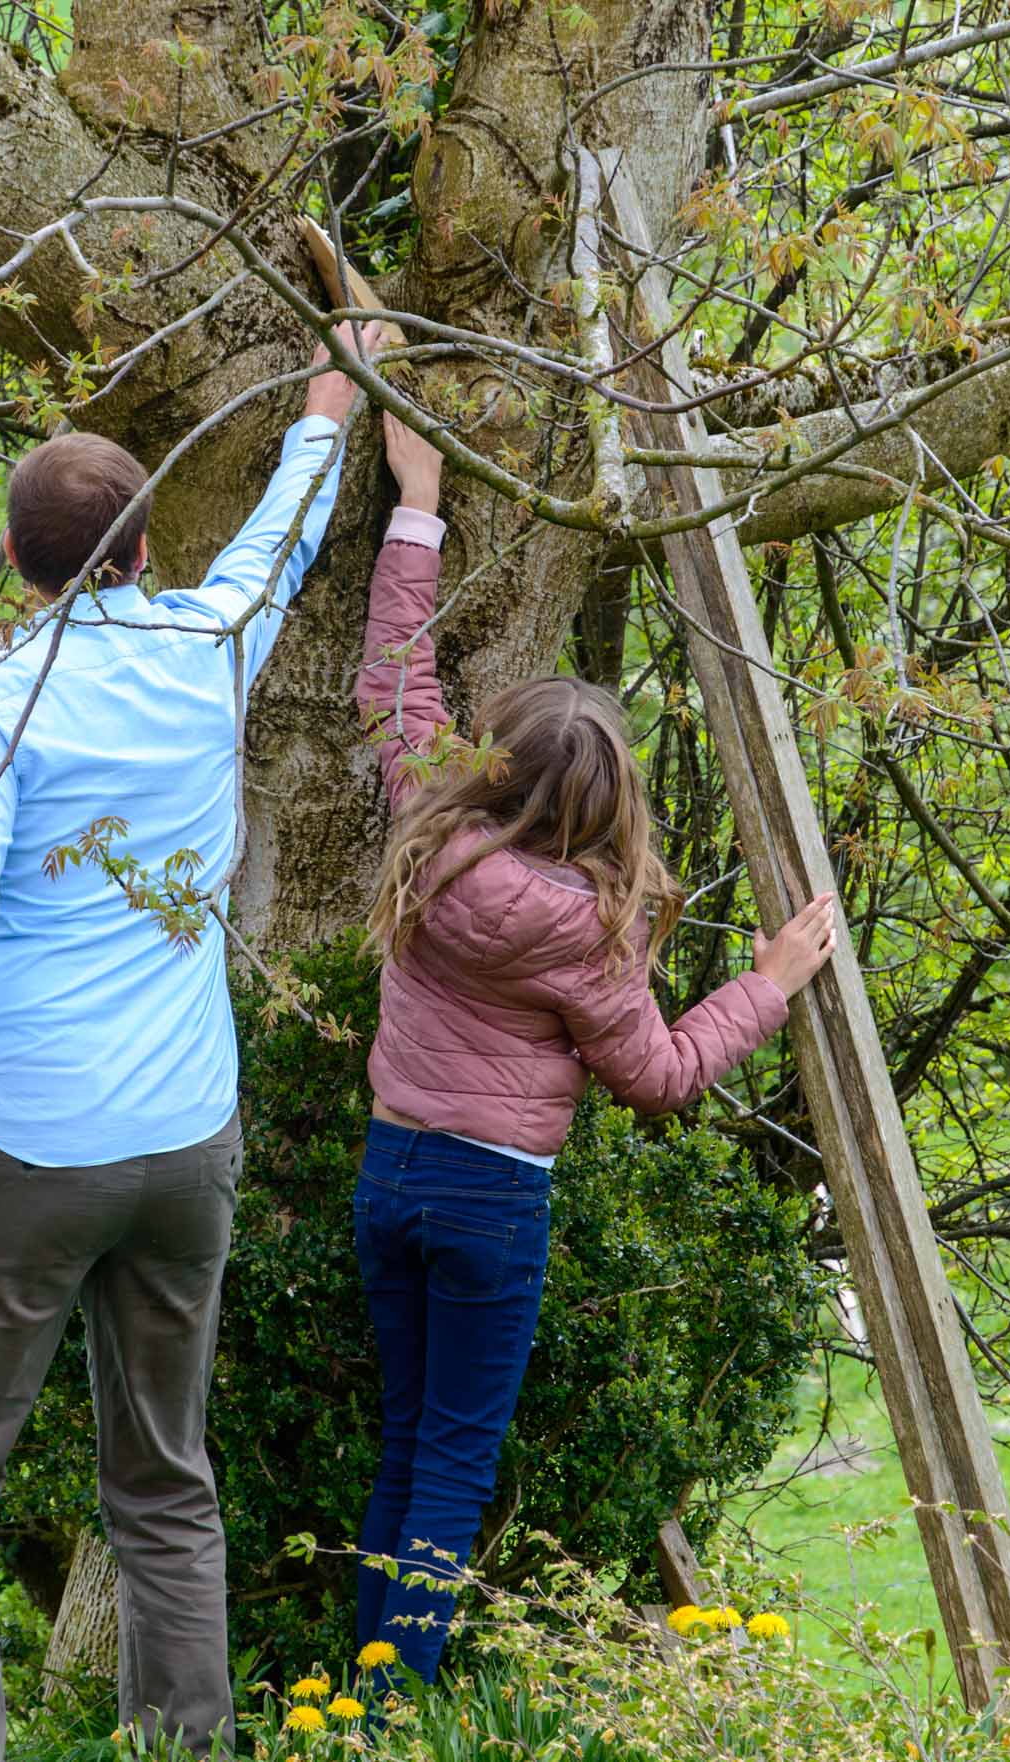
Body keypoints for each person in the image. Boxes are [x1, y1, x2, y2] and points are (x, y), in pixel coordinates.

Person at [0, 335, 372, 1762]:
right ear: (140, 546)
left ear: (18, 563)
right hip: (184, 1139)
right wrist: (329, 403)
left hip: (24, 1143)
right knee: (166, 1483)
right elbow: (277, 543)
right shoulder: (208, 642)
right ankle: (184, 1747)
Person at [349, 414, 839, 1683]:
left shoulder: (427, 821)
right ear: (603, 800)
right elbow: (661, 1076)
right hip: (488, 1197)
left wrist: (420, 498)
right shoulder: (583, 930)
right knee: (452, 1462)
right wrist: (768, 983)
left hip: (388, 1172)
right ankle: (392, 1710)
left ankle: (347, 1704)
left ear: (495, 762)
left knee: (407, 1440)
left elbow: (396, 671)